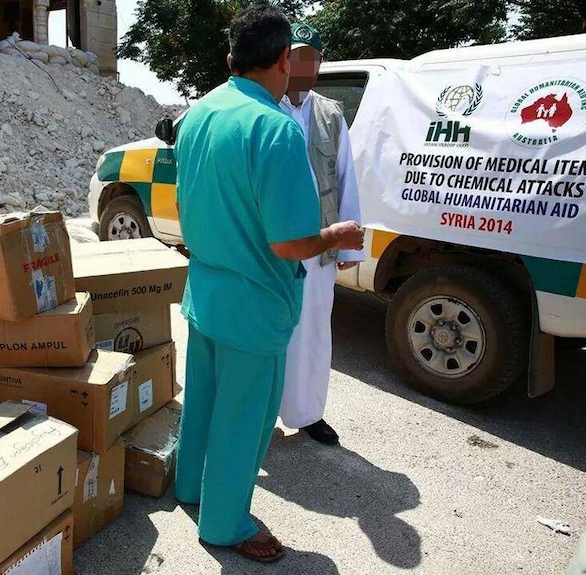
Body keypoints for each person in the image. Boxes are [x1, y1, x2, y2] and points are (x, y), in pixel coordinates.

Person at [172, 6, 365, 563]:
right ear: (284, 59)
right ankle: (225, 522)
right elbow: (290, 242)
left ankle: (190, 489)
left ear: (231, 60)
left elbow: (188, 206)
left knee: (204, 402)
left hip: (205, 291)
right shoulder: (276, 129)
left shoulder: (200, 113)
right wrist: (336, 234)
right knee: (245, 419)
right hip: (255, 304)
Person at [279, 23, 365, 445]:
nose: (304, 66)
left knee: (312, 330)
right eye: (296, 57)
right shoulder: (263, 105)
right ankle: (262, 413)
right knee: (272, 328)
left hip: (320, 243)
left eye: (311, 58)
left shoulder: (330, 112)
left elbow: (346, 175)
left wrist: (351, 246)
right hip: (274, 244)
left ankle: (307, 413)